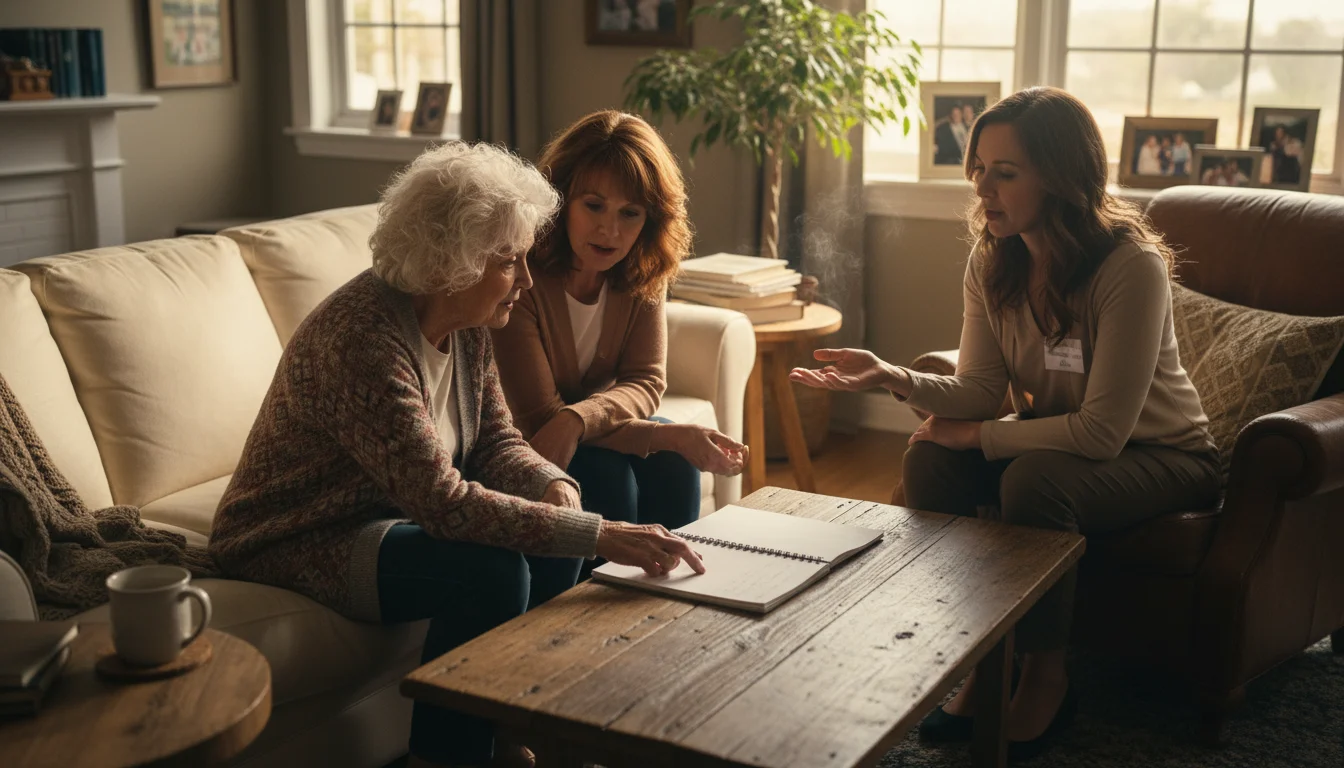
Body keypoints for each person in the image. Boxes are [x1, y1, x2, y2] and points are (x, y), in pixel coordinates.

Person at [210, 141, 706, 768]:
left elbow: (497, 443)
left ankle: (525, 721)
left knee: (549, 531)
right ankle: (448, 757)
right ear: (456, 261)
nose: (526, 280)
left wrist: (557, 488)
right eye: (510, 263)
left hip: (383, 514)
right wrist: (595, 532)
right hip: (297, 534)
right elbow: (444, 505)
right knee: (489, 572)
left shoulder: (468, 321)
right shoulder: (363, 340)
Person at [789, 86, 1220, 759]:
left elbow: (1103, 431)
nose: (983, 188)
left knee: (1035, 483)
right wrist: (893, 377)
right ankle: (983, 659)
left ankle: (1047, 677)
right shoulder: (993, 259)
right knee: (929, 459)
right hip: (1062, 444)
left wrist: (981, 436)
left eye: (1006, 173)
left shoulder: (1129, 266)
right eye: (979, 170)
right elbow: (982, 387)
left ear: (1061, 176)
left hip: (1165, 458)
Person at [492, 110, 747, 575]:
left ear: (650, 219)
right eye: (593, 206)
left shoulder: (643, 268)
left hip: (573, 428)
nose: (610, 231)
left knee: (673, 462)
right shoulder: (522, 276)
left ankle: (671, 595)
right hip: (523, 441)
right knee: (607, 476)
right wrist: (663, 432)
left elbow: (646, 379)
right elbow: (540, 423)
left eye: (629, 213)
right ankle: (596, 620)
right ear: (561, 199)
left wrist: (577, 418)